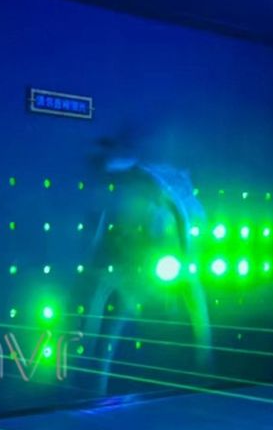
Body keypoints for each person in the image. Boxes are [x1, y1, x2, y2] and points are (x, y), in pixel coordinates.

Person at [83, 146, 212, 397]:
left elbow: (179, 211)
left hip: (158, 253)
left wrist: (186, 253)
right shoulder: (118, 188)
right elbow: (106, 226)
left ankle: (206, 363)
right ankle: (96, 381)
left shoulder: (149, 180)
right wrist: (100, 257)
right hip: (137, 257)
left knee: (192, 295)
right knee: (114, 312)